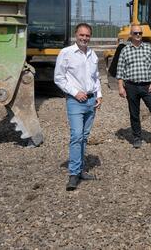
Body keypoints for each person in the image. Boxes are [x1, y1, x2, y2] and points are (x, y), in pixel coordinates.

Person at [54, 23, 102, 191]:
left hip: (90, 101)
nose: (84, 38)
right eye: (82, 35)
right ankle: (74, 174)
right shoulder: (66, 53)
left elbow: (96, 77)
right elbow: (59, 78)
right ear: (76, 35)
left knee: (84, 136)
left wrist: (99, 95)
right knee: (76, 136)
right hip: (75, 101)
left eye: (87, 36)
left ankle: (80, 170)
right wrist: (75, 92)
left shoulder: (92, 54)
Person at [116, 24, 151, 150]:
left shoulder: (148, 49)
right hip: (131, 86)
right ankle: (137, 138)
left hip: (148, 86)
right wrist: (121, 87)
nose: (138, 35)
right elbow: (120, 70)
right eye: (135, 33)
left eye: (140, 33)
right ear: (131, 35)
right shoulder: (125, 50)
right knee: (134, 113)